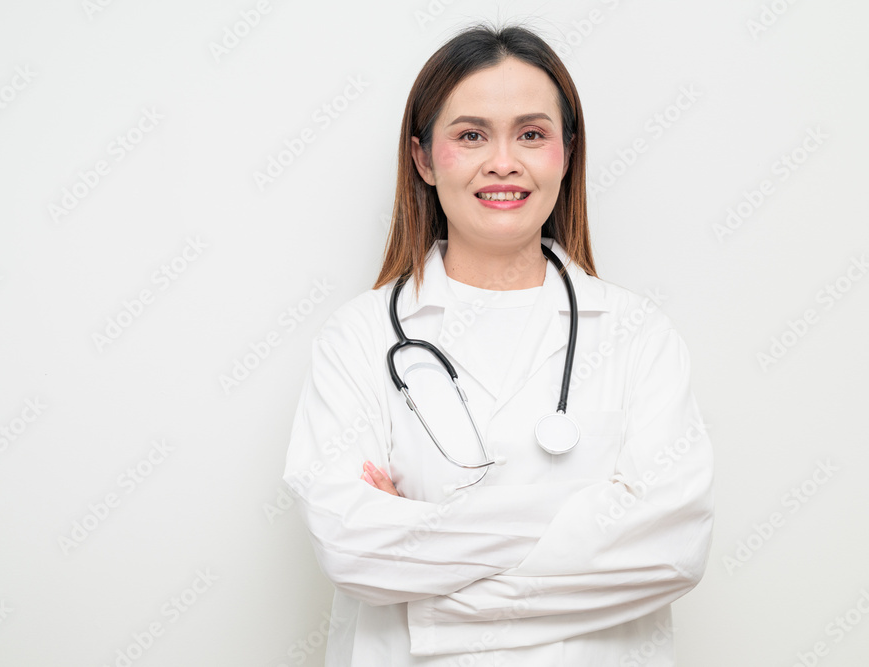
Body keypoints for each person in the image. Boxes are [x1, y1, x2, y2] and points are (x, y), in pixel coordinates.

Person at [283, 22, 714, 666]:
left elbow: (671, 549)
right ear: (424, 159)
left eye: (532, 134)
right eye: (471, 135)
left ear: (567, 154)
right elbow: (352, 548)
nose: (504, 162)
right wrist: (584, 519)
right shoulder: (358, 338)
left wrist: (428, 579)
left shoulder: (637, 335)